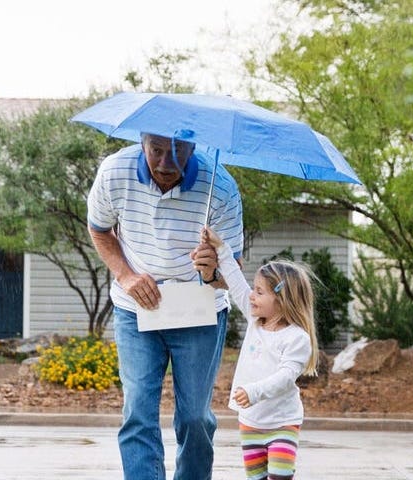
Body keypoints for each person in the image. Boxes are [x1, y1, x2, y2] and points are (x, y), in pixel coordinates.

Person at [87, 133, 244, 480]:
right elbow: (99, 230)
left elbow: (233, 273)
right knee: (138, 412)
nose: (166, 163)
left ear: (193, 147)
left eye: (177, 152)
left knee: (195, 418)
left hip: (200, 311)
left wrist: (213, 271)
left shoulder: (221, 187)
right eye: (157, 151)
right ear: (142, 143)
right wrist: (126, 275)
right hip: (136, 307)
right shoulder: (115, 172)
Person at [201, 227, 319, 480]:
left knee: (279, 477)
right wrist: (220, 247)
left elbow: (286, 377)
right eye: (253, 289)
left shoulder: (297, 338)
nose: (251, 296)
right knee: (255, 478)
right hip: (251, 422)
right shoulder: (255, 321)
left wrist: (254, 391)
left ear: (282, 299)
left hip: (283, 423)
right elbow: (233, 279)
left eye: (259, 292)